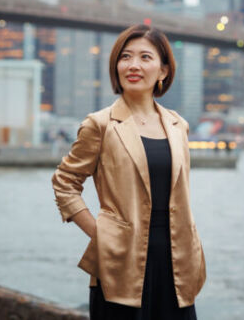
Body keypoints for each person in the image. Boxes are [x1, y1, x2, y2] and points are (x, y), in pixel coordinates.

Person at [52, 24, 205, 319]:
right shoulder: (100, 124)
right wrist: (101, 235)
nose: (133, 65)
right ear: (116, 66)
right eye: (126, 57)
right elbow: (64, 183)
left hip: (178, 262)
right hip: (120, 262)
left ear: (163, 71)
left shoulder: (178, 126)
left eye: (145, 57)